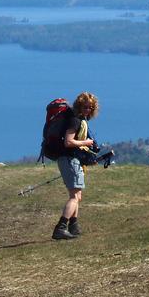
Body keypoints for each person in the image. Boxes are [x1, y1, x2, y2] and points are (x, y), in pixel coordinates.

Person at [52, 91, 100, 240]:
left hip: (69, 159)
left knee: (77, 195)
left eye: (91, 108)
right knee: (74, 197)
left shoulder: (76, 118)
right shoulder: (75, 120)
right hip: (69, 159)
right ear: (79, 106)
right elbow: (69, 141)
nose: (88, 110)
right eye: (85, 107)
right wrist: (86, 143)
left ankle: (74, 226)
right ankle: (61, 227)